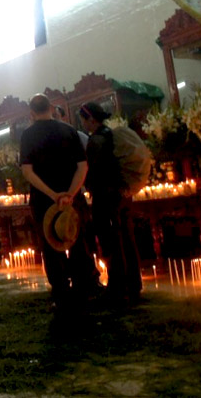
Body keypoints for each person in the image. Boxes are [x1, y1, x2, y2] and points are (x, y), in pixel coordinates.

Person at [20, 93, 101, 311]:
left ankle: (61, 292)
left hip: (43, 200)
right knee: (77, 239)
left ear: (32, 113)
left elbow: (27, 172)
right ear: (51, 108)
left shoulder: (28, 135)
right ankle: (85, 286)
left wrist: (52, 194)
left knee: (50, 244)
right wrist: (70, 194)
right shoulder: (68, 130)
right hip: (72, 197)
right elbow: (82, 166)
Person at [79, 102, 143, 305]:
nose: (83, 124)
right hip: (121, 195)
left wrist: (86, 186)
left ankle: (118, 288)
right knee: (126, 236)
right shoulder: (111, 134)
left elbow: (92, 171)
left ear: (91, 119)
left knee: (110, 241)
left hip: (105, 196)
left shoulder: (96, 140)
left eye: (83, 120)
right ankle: (134, 284)